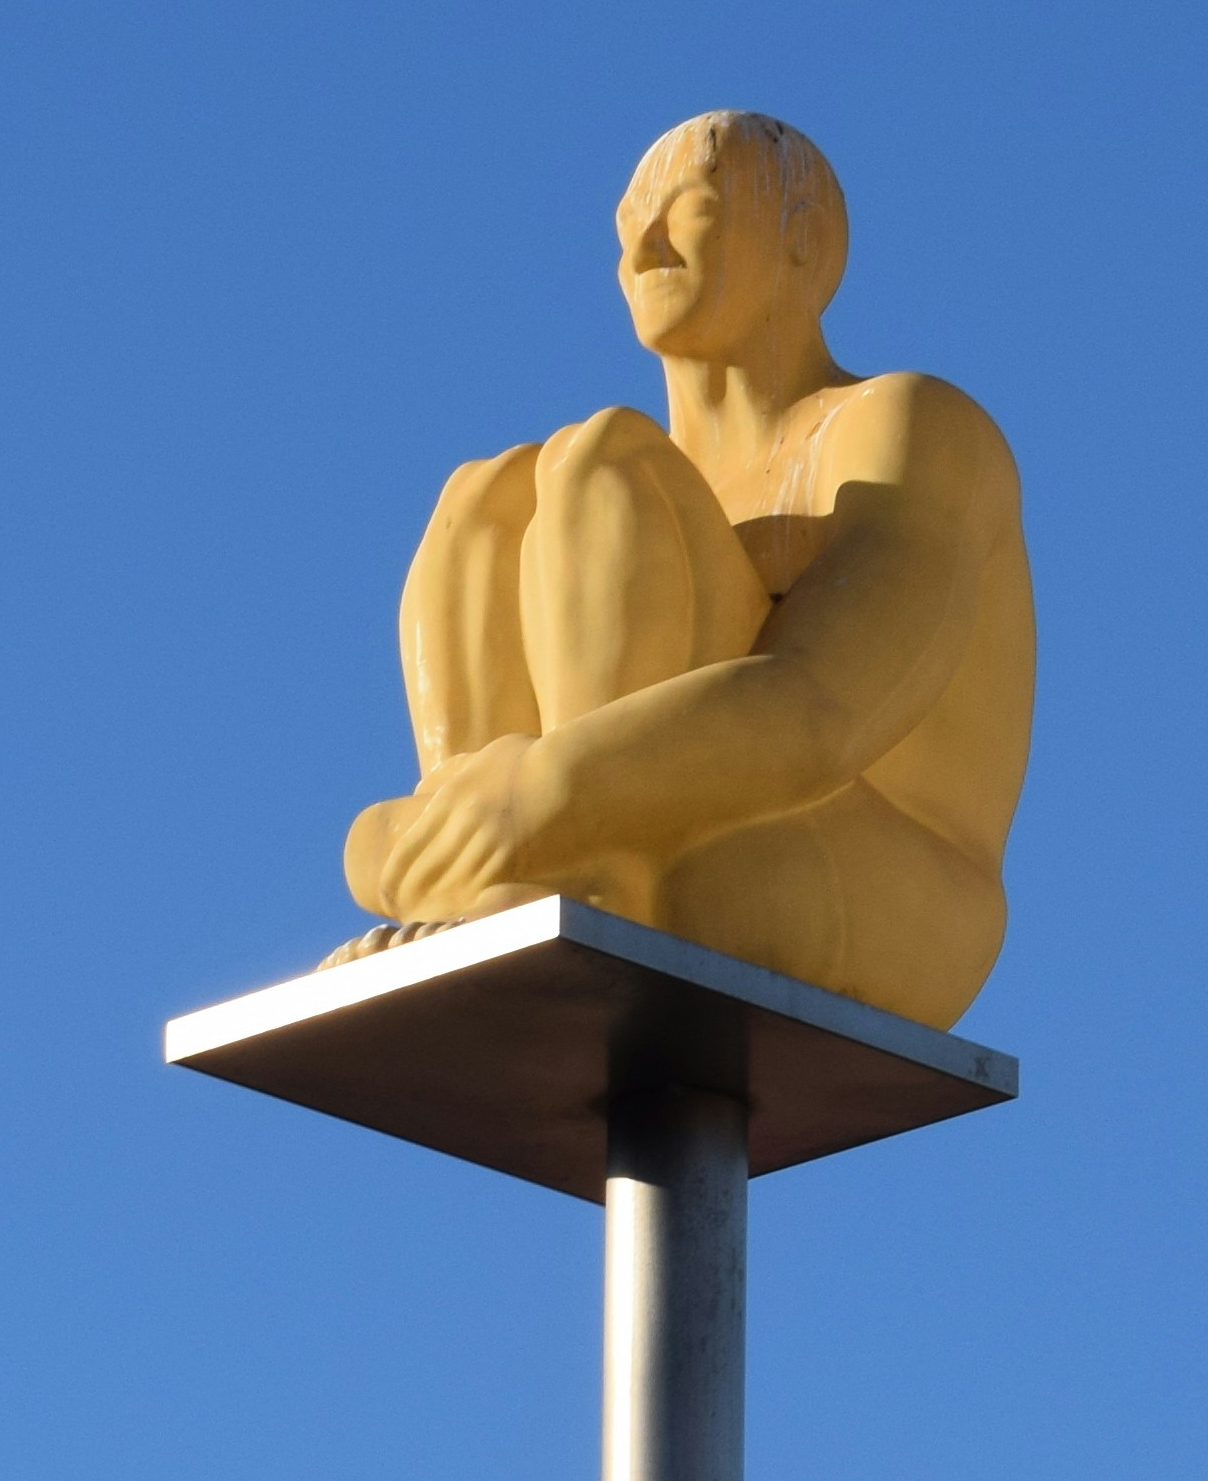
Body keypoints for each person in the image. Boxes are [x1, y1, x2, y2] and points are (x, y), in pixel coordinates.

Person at [336, 109, 1033, 1027]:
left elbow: (820, 709)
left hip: (878, 881)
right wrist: (448, 820)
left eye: (691, 206)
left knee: (603, 460)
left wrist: (542, 794)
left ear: (803, 240)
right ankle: (493, 874)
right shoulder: (627, 494)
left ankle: (574, 869)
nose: (644, 243)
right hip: (659, 833)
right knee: (486, 492)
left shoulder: (900, 426)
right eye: (627, 221)